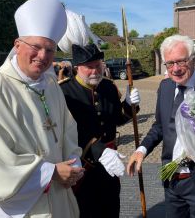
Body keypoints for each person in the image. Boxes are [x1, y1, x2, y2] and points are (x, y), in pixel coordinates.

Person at [0, 0, 84, 217]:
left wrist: (73, 164)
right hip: (17, 206)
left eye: (50, 49)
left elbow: (68, 130)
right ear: (17, 45)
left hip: (58, 198)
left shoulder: (52, 86)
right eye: (35, 46)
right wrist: (51, 172)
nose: (42, 56)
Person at [127, 35, 195, 218]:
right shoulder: (165, 86)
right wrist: (141, 150)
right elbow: (160, 126)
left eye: (181, 62)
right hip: (172, 181)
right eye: (169, 63)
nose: (175, 69)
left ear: (193, 59)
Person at [60, 42, 140, 216]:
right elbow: (66, 132)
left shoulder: (108, 87)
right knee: (86, 210)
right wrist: (99, 151)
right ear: (77, 68)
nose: (95, 71)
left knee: (111, 207)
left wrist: (128, 105)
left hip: (109, 167)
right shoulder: (64, 92)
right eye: (89, 67)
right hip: (82, 167)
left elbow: (117, 120)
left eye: (98, 65)